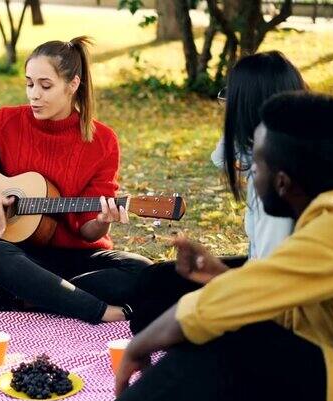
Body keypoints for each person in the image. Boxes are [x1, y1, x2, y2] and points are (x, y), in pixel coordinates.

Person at [92, 91, 333, 401]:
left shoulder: (331, 228)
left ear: (282, 182)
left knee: (210, 353)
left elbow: (206, 311)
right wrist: (225, 277)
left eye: (257, 163)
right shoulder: (320, 216)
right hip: (317, 363)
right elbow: (290, 309)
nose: (248, 171)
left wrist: (139, 346)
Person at [0, 37, 152, 324]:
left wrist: (104, 219)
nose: (34, 94)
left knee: (143, 271)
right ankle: (98, 311)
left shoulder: (102, 141)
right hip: (24, 258)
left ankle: (17, 300)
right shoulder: (5, 123)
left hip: (77, 261)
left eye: (45, 86)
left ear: (73, 85)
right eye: (29, 83)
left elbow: (88, 232)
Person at [128, 51, 307, 334]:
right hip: (259, 274)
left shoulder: (281, 187)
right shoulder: (264, 157)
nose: (224, 106)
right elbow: (221, 156)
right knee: (155, 280)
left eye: (230, 99)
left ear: (247, 108)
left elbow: (274, 290)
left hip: (279, 308)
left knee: (152, 311)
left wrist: (218, 283)